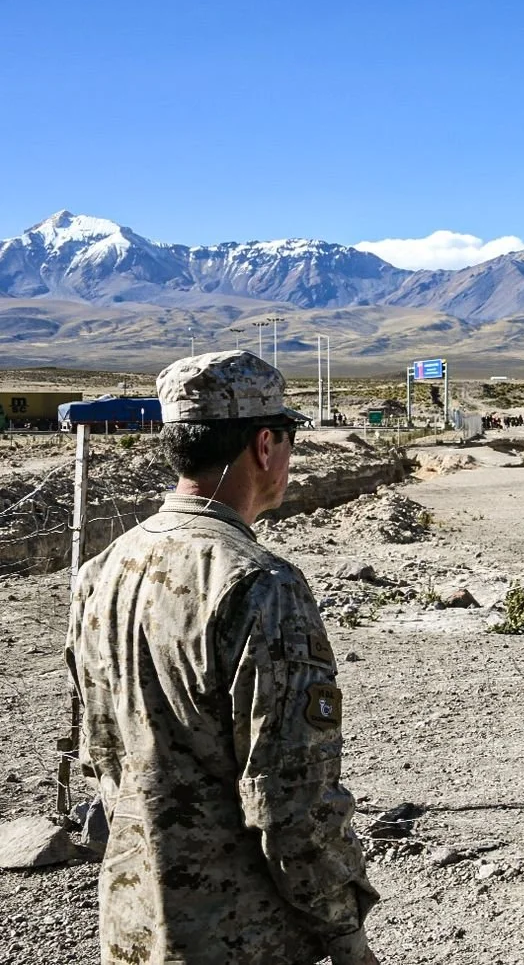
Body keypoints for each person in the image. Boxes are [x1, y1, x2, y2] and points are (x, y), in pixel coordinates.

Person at [66, 350, 379, 965]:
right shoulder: (261, 585)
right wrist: (345, 935)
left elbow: (101, 754)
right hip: (239, 934)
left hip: (133, 923)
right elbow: (291, 800)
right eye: (287, 440)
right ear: (265, 445)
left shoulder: (101, 571)